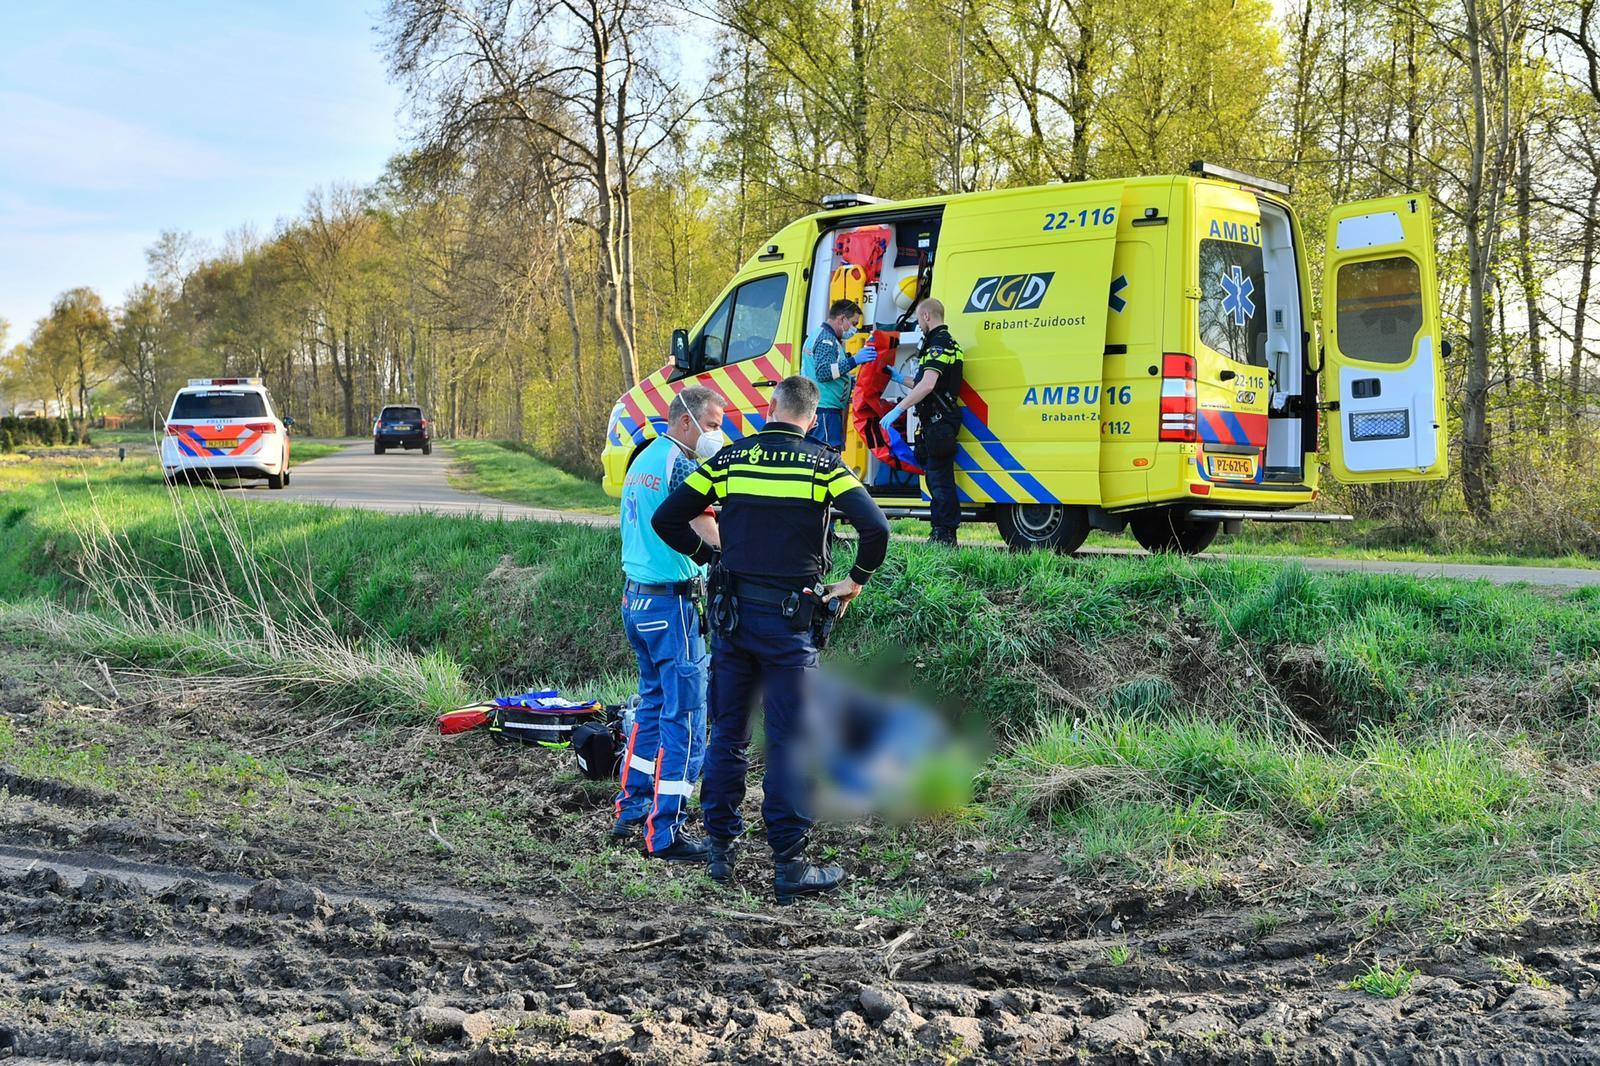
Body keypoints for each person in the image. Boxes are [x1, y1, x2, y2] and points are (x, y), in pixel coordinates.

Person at [652, 376, 891, 904]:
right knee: (788, 741)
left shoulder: (729, 461)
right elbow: (876, 530)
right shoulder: (825, 466)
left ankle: (719, 851)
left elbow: (667, 517)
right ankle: (788, 864)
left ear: (770, 408)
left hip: (733, 622)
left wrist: (708, 557)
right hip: (790, 627)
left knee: (728, 734)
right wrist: (854, 582)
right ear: (810, 418)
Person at [614, 385, 727, 861]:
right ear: (687, 423)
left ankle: (632, 808)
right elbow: (711, 538)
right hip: (672, 607)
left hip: (636, 602)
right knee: (684, 717)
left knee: (652, 709)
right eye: (715, 424)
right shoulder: (681, 465)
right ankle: (665, 834)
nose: (718, 434)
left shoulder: (643, 458)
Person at [879, 298, 965, 545]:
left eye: (918, 318)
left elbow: (928, 385)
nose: (919, 323)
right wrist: (900, 379)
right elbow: (927, 383)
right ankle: (940, 533)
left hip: (939, 424)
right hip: (935, 424)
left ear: (927, 316)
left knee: (940, 482)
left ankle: (945, 535)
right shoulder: (944, 344)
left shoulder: (939, 344)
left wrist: (899, 409)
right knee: (936, 480)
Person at [800, 299, 875, 451]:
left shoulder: (822, 336)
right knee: (826, 456)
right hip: (825, 412)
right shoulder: (826, 340)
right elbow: (824, 372)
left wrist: (850, 382)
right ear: (841, 319)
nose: (854, 329)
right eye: (853, 323)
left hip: (823, 409)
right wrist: (855, 360)